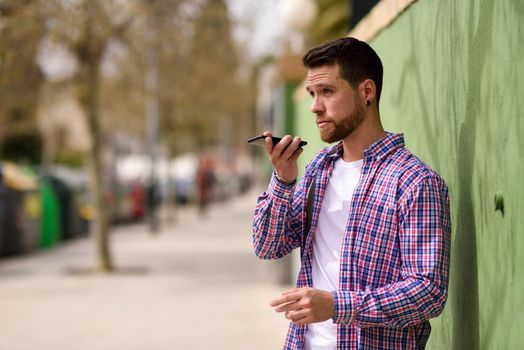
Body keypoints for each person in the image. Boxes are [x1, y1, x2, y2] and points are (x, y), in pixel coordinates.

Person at [252, 37, 451, 350]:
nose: (316, 106)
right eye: (312, 94)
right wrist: (283, 180)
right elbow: (268, 246)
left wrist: (337, 306)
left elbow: (428, 292)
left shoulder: (414, 181)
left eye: (327, 91)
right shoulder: (319, 170)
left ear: (367, 92)